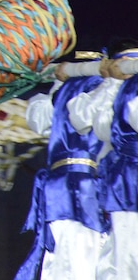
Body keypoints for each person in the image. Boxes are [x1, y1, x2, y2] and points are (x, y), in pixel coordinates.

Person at [16, 51, 108, 280]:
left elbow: (38, 121)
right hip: (83, 186)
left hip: (61, 184)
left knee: (63, 252)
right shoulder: (101, 87)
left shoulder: (62, 91)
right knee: (83, 251)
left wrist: (58, 83)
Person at [87, 38, 138, 278]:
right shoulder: (114, 93)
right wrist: (112, 85)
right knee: (122, 255)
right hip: (125, 183)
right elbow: (101, 128)